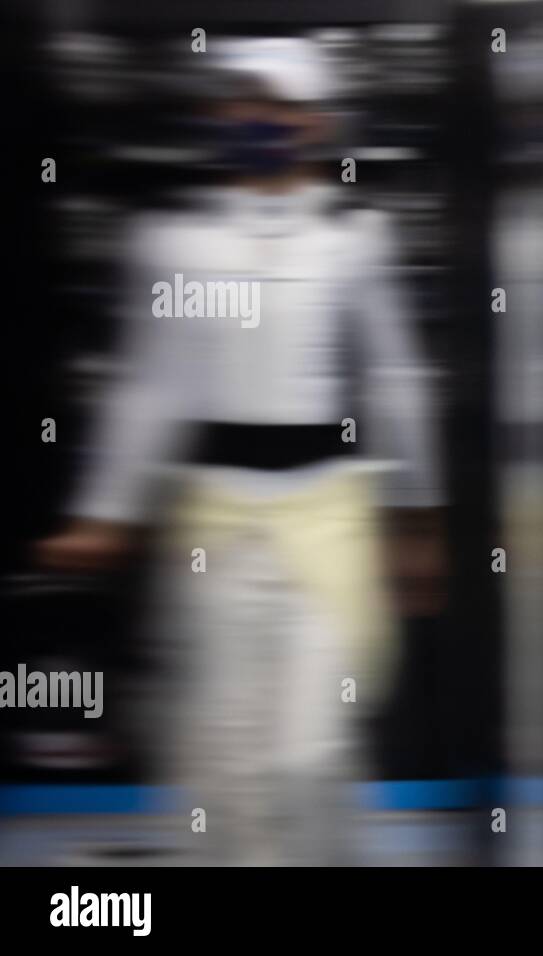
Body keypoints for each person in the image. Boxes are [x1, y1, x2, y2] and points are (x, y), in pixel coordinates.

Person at [34, 37, 446, 864]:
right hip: (214, 523)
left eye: (273, 105)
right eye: (237, 103)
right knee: (220, 747)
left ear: (314, 122)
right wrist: (103, 514)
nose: (252, 119)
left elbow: (394, 378)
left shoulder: (351, 242)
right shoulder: (176, 244)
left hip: (325, 516)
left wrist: (417, 515)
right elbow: (147, 387)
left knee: (309, 743)